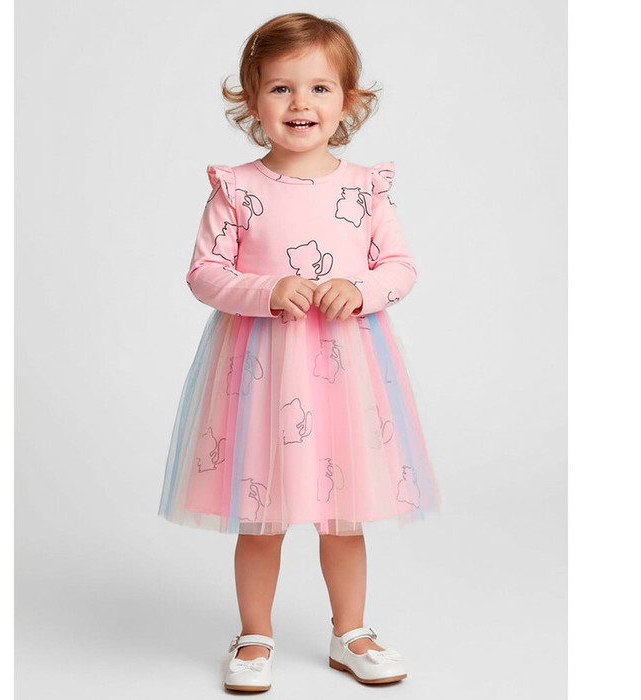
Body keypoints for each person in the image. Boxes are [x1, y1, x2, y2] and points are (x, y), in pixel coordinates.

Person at [158, 12, 440, 692]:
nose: (300, 103)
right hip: (262, 371)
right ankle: (254, 633)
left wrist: (360, 289)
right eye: (281, 88)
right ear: (252, 100)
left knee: (343, 515)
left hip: (345, 371)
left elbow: (400, 267)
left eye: (319, 88)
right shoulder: (237, 188)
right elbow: (204, 274)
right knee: (262, 515)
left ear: (347, 100)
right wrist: (266, 289)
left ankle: (351, 632)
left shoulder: (365, 187)